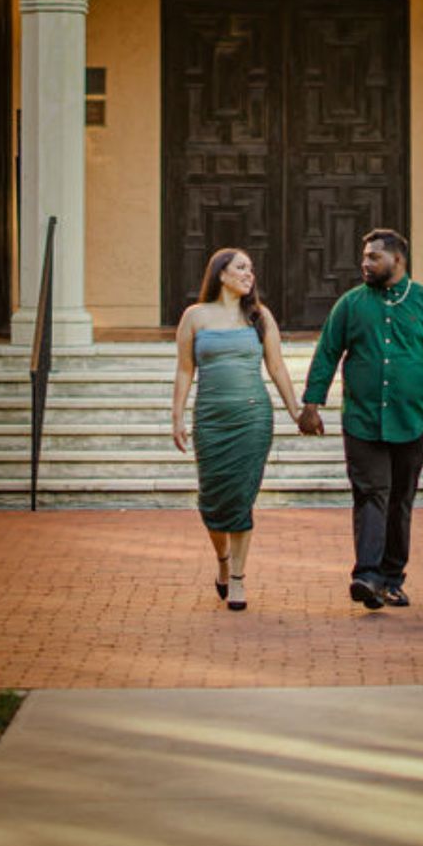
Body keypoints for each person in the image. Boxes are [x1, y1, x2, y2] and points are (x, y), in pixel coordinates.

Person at [299, 228, 423, 609]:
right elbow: (327, 352)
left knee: (400, 500)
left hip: (412, 422)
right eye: (364, 256)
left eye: (373, 257)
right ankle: (367, 575)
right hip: (362, 420)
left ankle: (390, 578)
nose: (365, 263)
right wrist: (312, 404)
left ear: (397, 260)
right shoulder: (351, 304)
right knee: (371, 493)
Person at [171, 246, 305, 610]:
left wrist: (296, 411)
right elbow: (184, 369)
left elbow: (276, 367)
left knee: (242, 498)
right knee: (212, 502)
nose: (249, 274)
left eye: (251, 269)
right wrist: (177, 417)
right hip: (211, 421)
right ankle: (223, 561)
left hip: (252, 419)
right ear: (221, 273)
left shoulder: (259, 316)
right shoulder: (195, 316)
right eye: (241, 268)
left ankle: (239, 579)